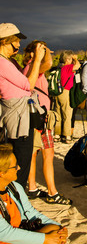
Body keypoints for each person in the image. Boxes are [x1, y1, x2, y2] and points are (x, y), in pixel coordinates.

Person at [0, 143, 78, 244]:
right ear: (1, 173)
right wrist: (45, 239)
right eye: (15, 166)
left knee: (53, 230)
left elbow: (30, 213)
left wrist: (59, 228)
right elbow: (5, 233)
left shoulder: (14, 188)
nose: (19, 168)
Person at [22, 40, 72, 205]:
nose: (46, 53)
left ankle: (33, 188)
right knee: (42, 155)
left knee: (38, 154)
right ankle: (51, 192)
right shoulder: (32, 66)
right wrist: (42, 52)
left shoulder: (33, 67)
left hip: (41, 117)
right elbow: (49, 62)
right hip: (38, 118)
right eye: (43, 49)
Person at [0, 23, 46, 189]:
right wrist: (38, 59)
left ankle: (16, 197)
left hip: (21, 115)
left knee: (23, 158)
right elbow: (29, 84)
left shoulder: (9, 61)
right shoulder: (2, 62)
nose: (19, 45)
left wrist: (35, 61)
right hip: (17, 118)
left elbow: (23, 79)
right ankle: (16, 197)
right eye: (16, 41)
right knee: (21, 160)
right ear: (5, 41)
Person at [53, 50, 81, 143]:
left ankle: (57, 135)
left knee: (58, 114)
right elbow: (78, 66)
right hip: (65, 92)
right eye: (71, 59)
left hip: (56, 92)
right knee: (67, 114)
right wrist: (75, 59)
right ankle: (67, 135)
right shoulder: (68, 67)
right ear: (68, 59)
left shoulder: (58, 67)